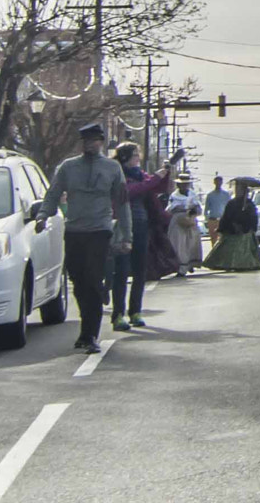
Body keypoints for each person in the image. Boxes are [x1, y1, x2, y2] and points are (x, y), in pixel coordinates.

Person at [32, 122, 131, 353]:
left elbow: (123, 204)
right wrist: (43, 216)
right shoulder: (68, 167)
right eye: (87, 141)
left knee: (92, 280)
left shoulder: (112, 168)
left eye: (96, 140)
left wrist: (127, 236)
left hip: (100, 230)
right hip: (75, 230)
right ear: (83, 143)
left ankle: (89, 335)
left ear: (101, 142)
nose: (91, 145)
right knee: (78, 282)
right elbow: (53, 193)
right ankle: (91, 313)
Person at [106, 143, 176, 330]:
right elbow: (132, 191)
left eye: (138, 154)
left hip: (142, 226)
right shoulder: (118, 175)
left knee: (140, 271)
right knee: (121, 272)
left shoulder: (141, 175)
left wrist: (166, 172)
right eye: (135, 155)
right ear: (125, 157)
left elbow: (158, 187)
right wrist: (154, 178)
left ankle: (135, 311)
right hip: (122, 227)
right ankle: (118, 314)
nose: (137, 158)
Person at [203, 180, 260, 272]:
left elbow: (253, 217)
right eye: (237, 189)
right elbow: (227, 216)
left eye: (240, 189)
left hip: (245, 232)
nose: (238, 191)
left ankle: (245, 264)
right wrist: (228, 226)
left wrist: (246, 226)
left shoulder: (249, 204)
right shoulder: (232, 203)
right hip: (232, 230)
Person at [164, 177, 206, 275]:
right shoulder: (174, 196)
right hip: (178, 222)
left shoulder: (193, 195)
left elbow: (198, 208)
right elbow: (169, 209)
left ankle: (190, 264)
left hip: (190, 221)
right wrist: (180, 209)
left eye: (186, 184)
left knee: (191, 243)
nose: (184, 186)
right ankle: (181, 267)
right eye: (182, 184)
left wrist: (193, 211)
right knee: (179, 244)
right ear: (178, 185)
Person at [203, 173, 230, 244]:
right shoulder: (210, 195)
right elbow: (206, 209)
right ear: (214, 182)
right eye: (216, 181)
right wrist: (206, 220)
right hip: (212, 220)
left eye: (220, 181)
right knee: (213, 240)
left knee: (223, 240)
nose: (218, 183)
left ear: (222, 182)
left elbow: (229, 208)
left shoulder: (226, 195)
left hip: (223, 220)